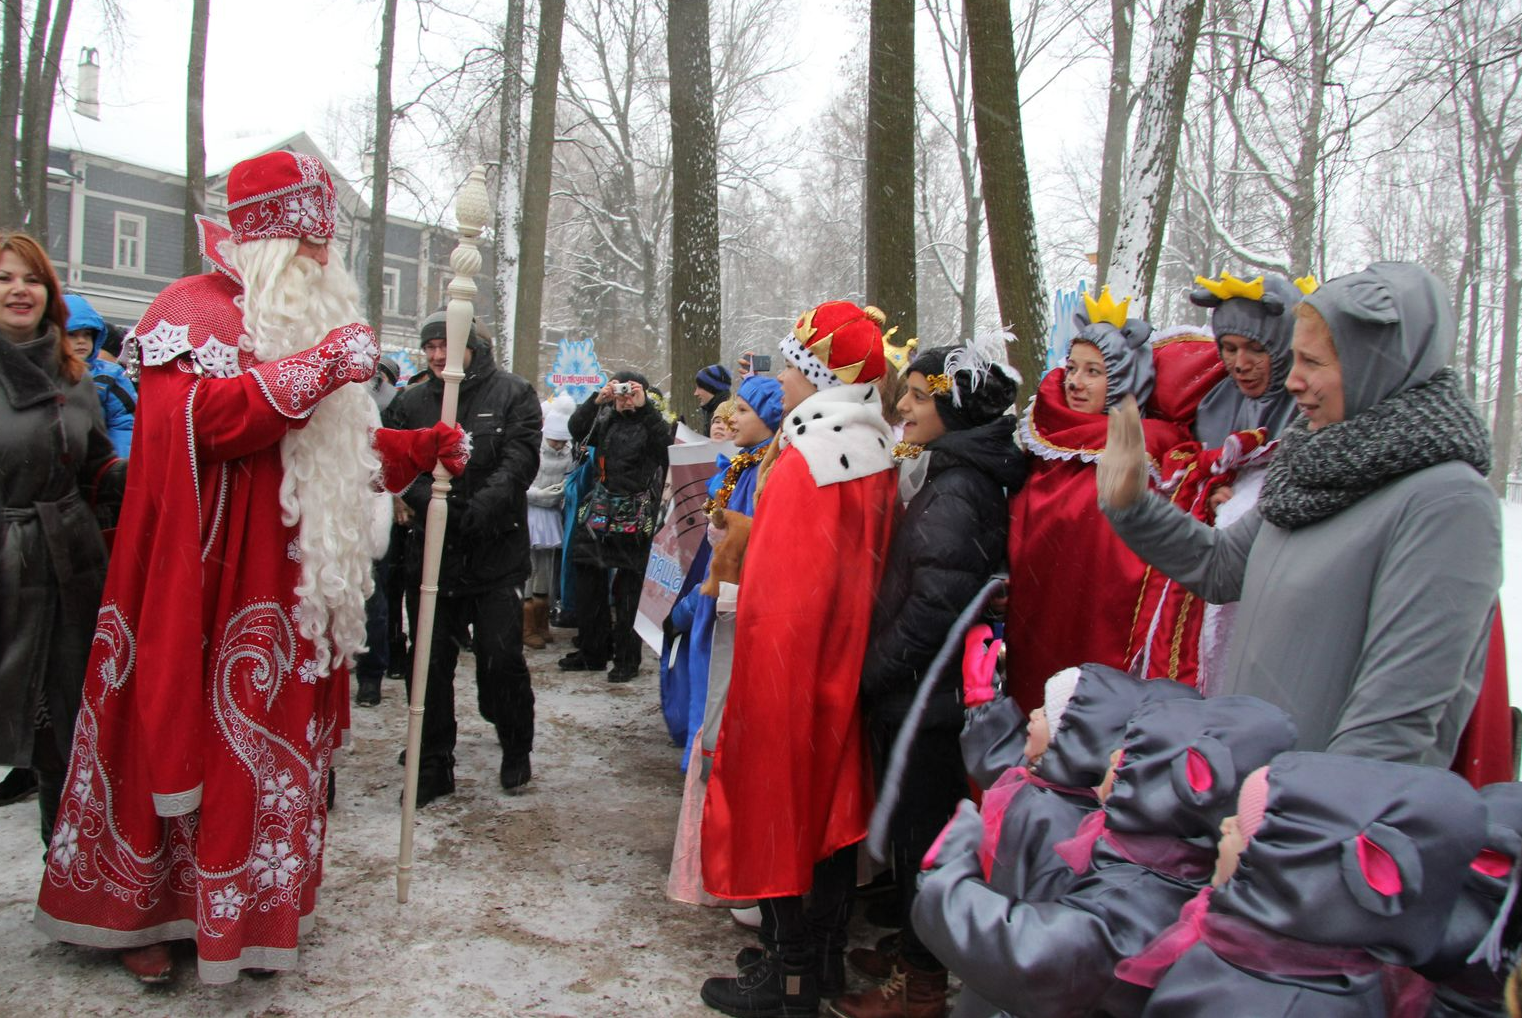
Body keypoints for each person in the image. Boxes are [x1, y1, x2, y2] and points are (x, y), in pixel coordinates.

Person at [33, 151, 465, 983]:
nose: (322, 259)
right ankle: (140, 916)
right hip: (204, 581)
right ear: (268, 240)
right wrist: (319, 368)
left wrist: (411, 448)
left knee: (267, 749)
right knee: (180, 733)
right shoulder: (184, 312)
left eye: (327, 244)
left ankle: (249, 914)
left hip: (288, 583)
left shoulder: (306, 326)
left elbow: (330, 443)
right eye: (309, 243)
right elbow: (200, 426)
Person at [1098, 261, 1502, 767]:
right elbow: (1220, 567)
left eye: (1312, 362)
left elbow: (1392, 728)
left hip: (1318, 823)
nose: (1293, 381)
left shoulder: (1445, 503)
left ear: (1373, 365)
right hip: (1249, 802)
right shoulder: (1312, 462)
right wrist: (1131, 505)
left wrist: (1297, 827)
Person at [699, 301, 899, 1017]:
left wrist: (764, 678)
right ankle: (821, 961)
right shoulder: (867, 448)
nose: (779, 378)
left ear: (820, 374)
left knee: (783, 812)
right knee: (826, 816)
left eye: (790, 364)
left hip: (794, 673)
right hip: (841, 668)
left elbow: (787, 591)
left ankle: (790, 978)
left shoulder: (811, 456)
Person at [831, 341, 1024, 1018]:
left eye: (917, 394)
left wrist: (869, 674)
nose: (901, 405)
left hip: (927, 702)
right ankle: (917, 954)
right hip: (925, 695)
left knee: (922, 843)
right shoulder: (951, 473)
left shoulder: (959, 489)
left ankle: (917, 989)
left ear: (953, 403)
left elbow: (934, 611)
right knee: (919, 838)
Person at [913, 695, 1296, 1018]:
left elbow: (1038, 954)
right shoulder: (1165, 857)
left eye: (1133, 752)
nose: (1112, 755)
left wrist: (949, 880)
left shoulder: (1140, 889)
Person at [1128, 754, 1487, 1016]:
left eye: (1246, 827)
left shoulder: (1269, 1004)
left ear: (1287, 872)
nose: (1224, 824)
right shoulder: (1281, 964)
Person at [1003, 287, 1193, 710]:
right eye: (1071, 368)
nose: (1074, 381)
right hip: (1039, 617)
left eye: (1093, 371)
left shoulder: (1149, 453)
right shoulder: (1045, 444)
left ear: (1124, 378)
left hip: (1105, 623)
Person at [0, 232, 124, 848]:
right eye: (3, 279)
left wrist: (169, 468)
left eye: (30, 278)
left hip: (70, 565)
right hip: (7, 562)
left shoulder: (75, 376)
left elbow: (98, 464)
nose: (18, 290)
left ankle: (66, 867)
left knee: (65, 722)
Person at [1126, 273, 1307, 688]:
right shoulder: (1214, 403)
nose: (1240, 363)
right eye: (1229, 348)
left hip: (1267, 584)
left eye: (1256, 349)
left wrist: (1243, 497)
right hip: (1205, 577)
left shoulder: (1307, 410)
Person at [389, 310, 541, 802]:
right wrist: (427, 504)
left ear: (472, 345)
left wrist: (474, 512)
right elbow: (395, 466)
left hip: (495, 552)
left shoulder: (514, 393)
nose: (437, 356)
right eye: (429, 346)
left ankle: (515, 741)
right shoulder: (411, 402)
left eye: (446, 346)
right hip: (433, 558)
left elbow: (519, 464)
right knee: (429, 667)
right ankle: (434, 763)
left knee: (500, 659)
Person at [559, 370, 669, 683]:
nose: (624, 397)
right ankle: (592, 651)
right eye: (619, 390)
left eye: (630, 391)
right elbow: (577, 431)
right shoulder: (604, 418)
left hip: (636, 513)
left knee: (629, 591)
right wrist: (598, 400)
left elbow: (667, 447)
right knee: (587, 581)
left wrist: (645, 407)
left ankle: (626, 659)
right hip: (598, 508)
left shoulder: (651, 422)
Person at [525, 393, 577, 649]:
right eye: (555, 440)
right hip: (531, 513)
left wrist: (562, 491)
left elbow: (570, 476)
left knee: (546, 570)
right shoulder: (533, 449)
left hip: (551, 514)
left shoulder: (567, 453)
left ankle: (542, 620)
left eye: (562, 442)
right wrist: (537, 494)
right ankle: (526, 624)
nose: (558, 445)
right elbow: (522, 482)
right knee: (529, 569)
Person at [63, 293, 137, 458]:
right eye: (72, 334)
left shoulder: (109, 375)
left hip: (97, 461)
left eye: (87, 334)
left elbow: (124, 422)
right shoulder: (45, 371)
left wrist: (119, 464)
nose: (81, 341)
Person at [694, 362, 732, 436]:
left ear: (712, 389)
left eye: (700, 387)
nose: (696, 393)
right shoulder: (710, 411)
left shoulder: (729, 415)